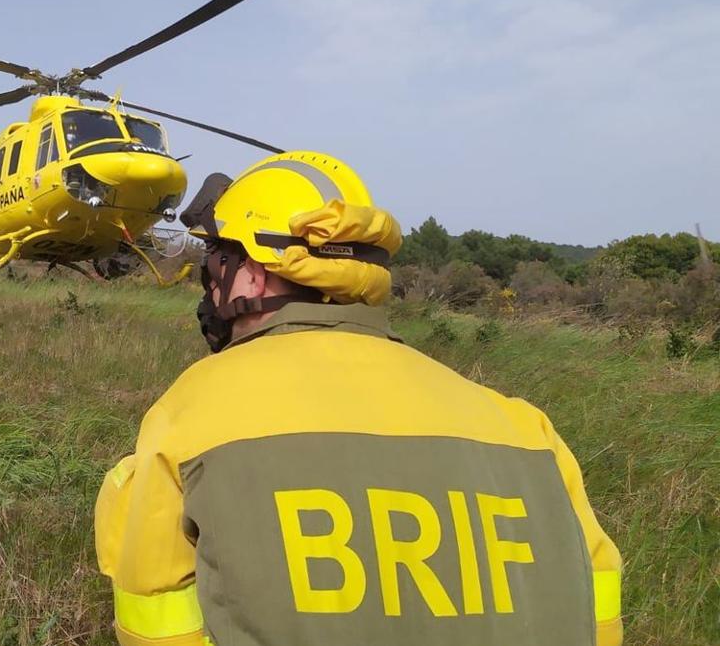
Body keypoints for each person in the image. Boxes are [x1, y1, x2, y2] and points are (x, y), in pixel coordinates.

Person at [94, 151, 622, 646]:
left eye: (216, 263)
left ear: (253, 270)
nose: (209, 286)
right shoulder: (526, 429)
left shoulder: (190, 414)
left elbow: (156, 619)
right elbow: (598, 610)